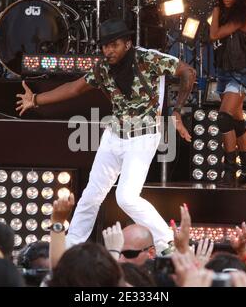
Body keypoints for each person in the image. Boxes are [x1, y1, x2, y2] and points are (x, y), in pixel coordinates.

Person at [17, 18, 196, 254]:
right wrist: (36, 100)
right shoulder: (103, 68)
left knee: (126, 197)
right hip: (114, 136)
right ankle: (70, 248)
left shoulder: (148, 59)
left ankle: (169, 243)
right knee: (91, 195)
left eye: (113, 45)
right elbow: (74, 88)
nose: (108, 50)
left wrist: (176, 111)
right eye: (104, 46)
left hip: (143, 137)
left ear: (128, 44)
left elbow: (188, 71)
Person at [210, 0, 246, 186]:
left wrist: (215, 10)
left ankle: (230, 171)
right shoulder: (224, 13)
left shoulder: (241, 16)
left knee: (224, 118)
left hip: (239, 75)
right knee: (237, 122)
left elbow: (214, 34)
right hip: (223, 73)